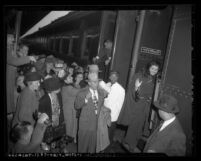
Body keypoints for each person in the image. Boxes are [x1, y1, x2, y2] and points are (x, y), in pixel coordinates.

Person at [117, 60, 160, 152]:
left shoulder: (155, 79)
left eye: (156, 69)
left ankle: (128, 140)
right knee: (135, 125)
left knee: (139, 125)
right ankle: (131, 144)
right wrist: (136, 87)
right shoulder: (139, 75)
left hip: (146, 105)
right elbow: (132, 92)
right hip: (137, 104)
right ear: (148, 67)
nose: (154, 71)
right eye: (152, 68)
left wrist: (150, 99)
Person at [7, 33, 37, 119]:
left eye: (27, 51)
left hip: (21, 87)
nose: (25, 52)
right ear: (19, 50)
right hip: (15, 88)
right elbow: (15, 68)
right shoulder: (17, 58)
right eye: (23, 50)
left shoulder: (25, 60)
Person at [74, 73, 104, 153]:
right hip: (85, 125)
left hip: (95, 125)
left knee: (92, 147)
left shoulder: (101, 93)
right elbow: (76, 106)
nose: (96, 84)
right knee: (82, 147)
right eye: (94, 82)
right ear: (89, 83)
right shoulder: (82, 93)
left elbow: (100, 107)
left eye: (97, 82)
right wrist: (85, 99)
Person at [38, 77, 65, 144]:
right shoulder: (43, 100)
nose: (60, 88)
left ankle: (59, 145)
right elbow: (40, 114)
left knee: (59, 136)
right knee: (49, 139)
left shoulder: (58, 95)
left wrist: (62, 118)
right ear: (52, 89)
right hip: (49, 123)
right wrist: (47, 123)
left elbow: (60, 107)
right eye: (58, 87)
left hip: (58, 120)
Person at [102, 71, 125, 143]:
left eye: (115, 77)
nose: (113, 78)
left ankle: (107, 148)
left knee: (109, 134)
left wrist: (115, 115)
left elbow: (120, 104)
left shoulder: (120, 89)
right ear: (109, 77)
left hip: (112, 115)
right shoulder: (108, 85)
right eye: (112, 76)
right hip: (104, 113)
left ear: (118, 78)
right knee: (103, 132)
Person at [61, 72, 83, 143]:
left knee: (73, 124)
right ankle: (66, 142)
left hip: (72, 109)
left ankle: (72, 138)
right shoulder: (67, 87)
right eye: (69, 77)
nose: (72, 78)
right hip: (68, 110)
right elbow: (79, 92)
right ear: (65, 80)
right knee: (69, 126)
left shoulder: (70, 86)